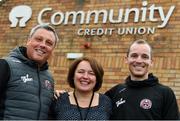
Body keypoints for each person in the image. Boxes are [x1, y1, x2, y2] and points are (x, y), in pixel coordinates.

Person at [105, 39, 179, 120]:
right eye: (134, 55)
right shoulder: (115, 92)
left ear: (151, 62)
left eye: (145, 57)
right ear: (126, 59)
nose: (139, 60)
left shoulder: (165, 93)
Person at [0, 24, 59, 120]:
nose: (43, 45)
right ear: (28, 41)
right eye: (39, 39)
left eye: (49, 43)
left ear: (53, 50)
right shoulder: (5, 65)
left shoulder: (49, 78)